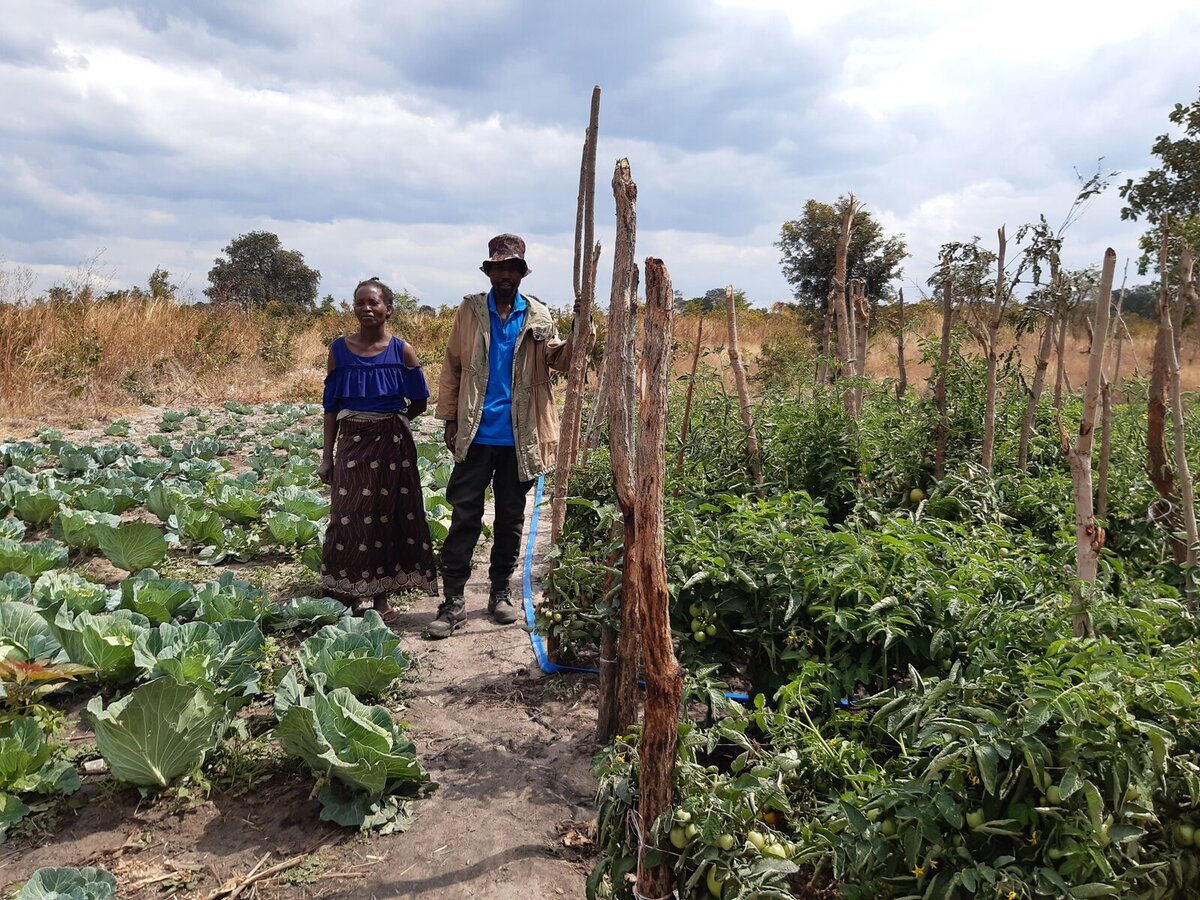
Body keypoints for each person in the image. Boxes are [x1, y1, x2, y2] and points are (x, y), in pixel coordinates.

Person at [430, 234, 590, 638]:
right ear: (489, 271)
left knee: (510, 520)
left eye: (511, 268)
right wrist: (449, 418)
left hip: (521, 437)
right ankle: (452, 601)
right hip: (476, 432)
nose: (504, 274)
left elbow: (562, 361)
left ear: (521, 272)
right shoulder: (470, 311)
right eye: (497, 267)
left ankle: (500, 592)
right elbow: (452, 366)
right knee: (464, 516)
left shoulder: (537, 314)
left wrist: (582, 327)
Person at [319, 277, 438, 618]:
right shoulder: (338, 351)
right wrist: (327, 457)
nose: (367, 308)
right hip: (352, 442)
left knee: (388, 519)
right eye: (360, 303)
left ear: (388, 309)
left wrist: (390, 421)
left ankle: (383, 597)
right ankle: (350, 593)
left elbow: (419, 402)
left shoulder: (402, 350)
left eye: (374, 302)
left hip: (392, 446)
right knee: (348, 516)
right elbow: (330, 407)